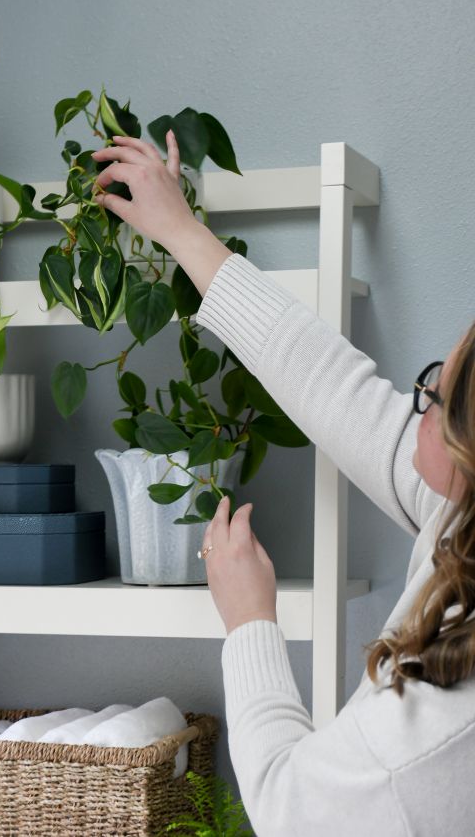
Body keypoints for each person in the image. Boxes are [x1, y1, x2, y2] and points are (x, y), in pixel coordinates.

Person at [91, 132, 475, 836]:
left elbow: (289, 810)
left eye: (437, 401)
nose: (413, 407)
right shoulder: (462, 520)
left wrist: (250, 624)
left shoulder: (438, 734)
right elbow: (336, 388)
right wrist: (180, 230)